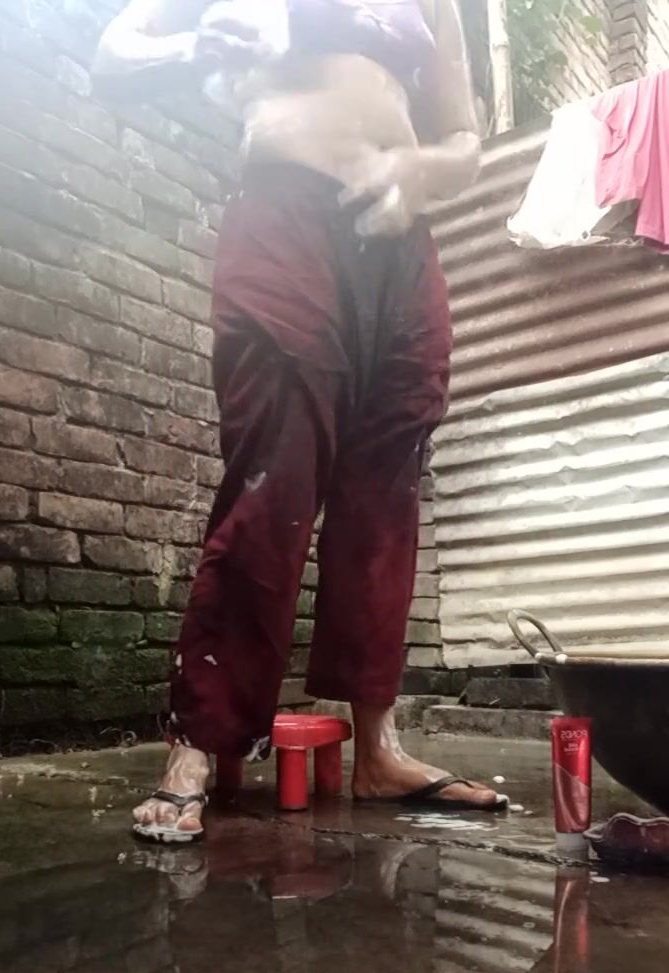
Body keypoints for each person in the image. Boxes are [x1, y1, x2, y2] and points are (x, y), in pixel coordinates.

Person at [94, 0, 507, 844]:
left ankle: (379, 749)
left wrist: (424, 169)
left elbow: (465, 139)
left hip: (399, 245)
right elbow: (115, 57)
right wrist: (200, 42)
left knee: (386, 493)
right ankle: (199, 744)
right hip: (284, 218)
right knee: (272, 477)